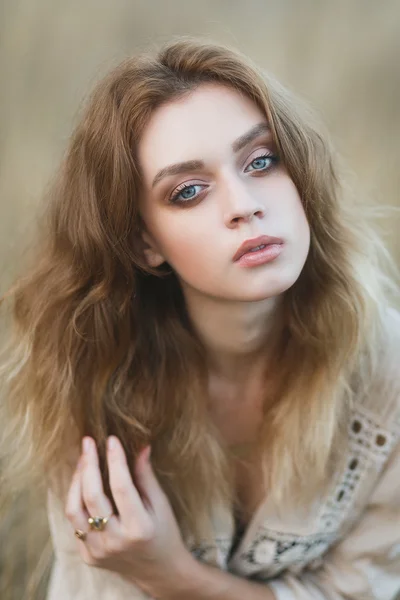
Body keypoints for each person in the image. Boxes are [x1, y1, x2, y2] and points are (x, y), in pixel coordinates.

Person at [1, 35, 400, 600]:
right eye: (188, 191)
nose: (243, 204)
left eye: (262, 160)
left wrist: (171, 576)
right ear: (144, 244)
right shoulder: (97, 369)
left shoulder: (387, 370)